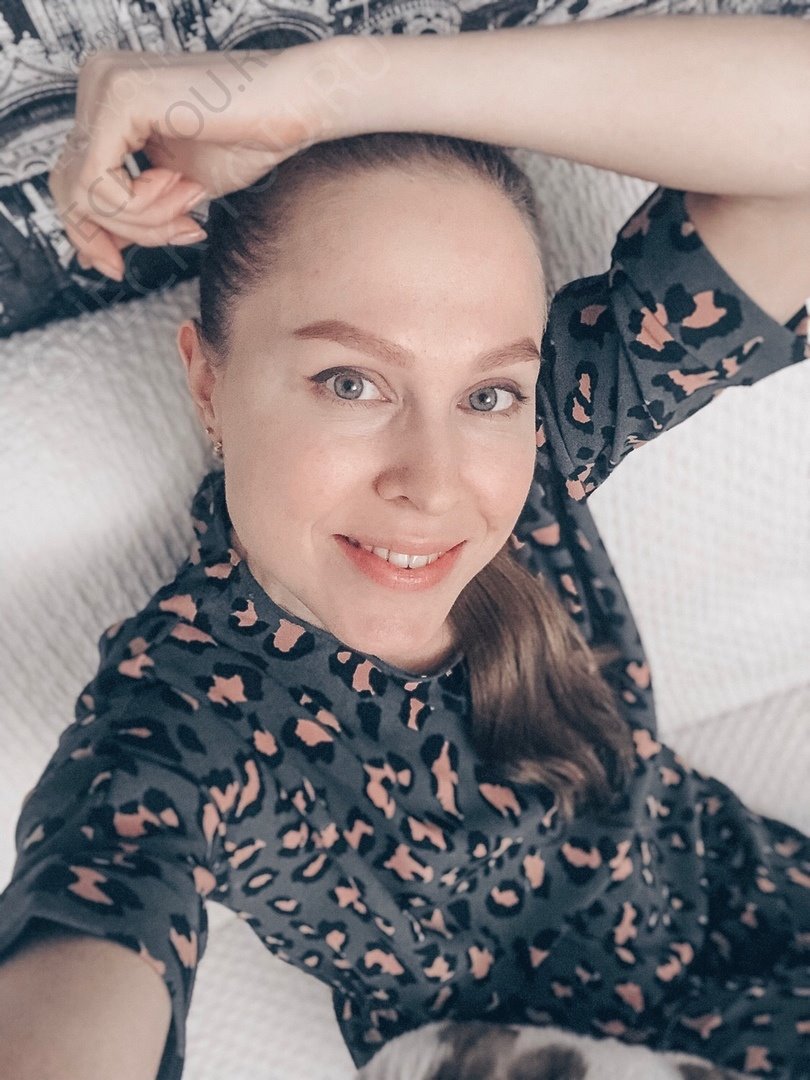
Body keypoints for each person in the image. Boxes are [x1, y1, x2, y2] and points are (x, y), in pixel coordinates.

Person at [1, 16, 809, 1080]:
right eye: (352, 383)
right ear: (208, 382)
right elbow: (90, 932)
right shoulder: (184, 721)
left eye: (488, 392)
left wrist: (335, 86)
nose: (432, 484)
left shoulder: (539, 448)